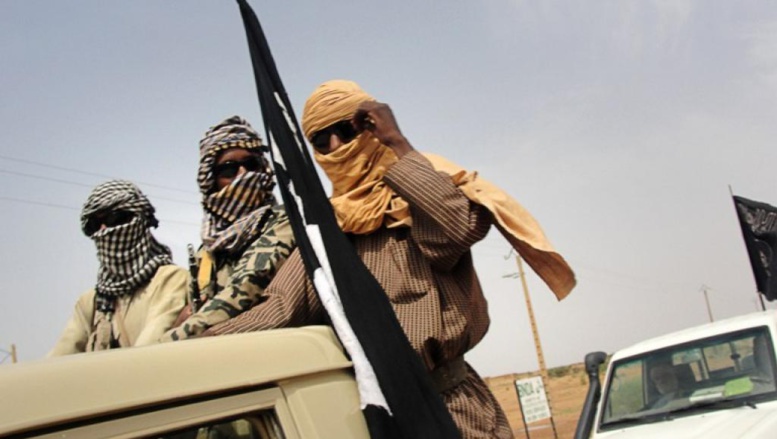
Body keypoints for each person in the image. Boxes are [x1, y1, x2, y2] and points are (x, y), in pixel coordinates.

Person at [204, 80, 575, 438]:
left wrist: (396, 142)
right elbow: (280, 309)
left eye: (346, 131)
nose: (336, 146)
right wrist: (187, 347)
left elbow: (458, 229)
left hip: (454, 408)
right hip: (380, 417)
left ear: (370, 126)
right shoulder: (327, 230)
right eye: (321, 140)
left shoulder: (419, 190)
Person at [160, 116, 295, 341]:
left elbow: (243, 290)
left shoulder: (284, 222)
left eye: (251, 165)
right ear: (211, 181)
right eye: (229, 170)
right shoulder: (207, 253)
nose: (244, 174)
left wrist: (165, 343)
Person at [49, 180, 188, 355]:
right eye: (95, 225)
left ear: (139, 219)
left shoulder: (171, 280)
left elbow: (146, 353)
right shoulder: (90, 302)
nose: (104, 230)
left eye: (114, 218)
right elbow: (57, 361)